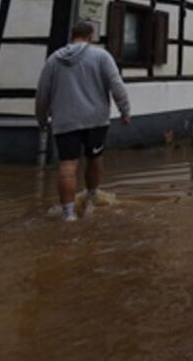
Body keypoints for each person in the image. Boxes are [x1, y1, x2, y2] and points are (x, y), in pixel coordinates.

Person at [35, 21, 130, 221]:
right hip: (95, 120)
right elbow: (116, 84)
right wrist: (125, 110)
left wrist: (42, 119)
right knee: (94, 159)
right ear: (90, 36)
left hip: (64, 121)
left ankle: (68, 214)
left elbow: (42, 93)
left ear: (72, 36)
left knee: (67, 165)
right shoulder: (101, 56)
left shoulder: (53, 60)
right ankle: (92, 194)